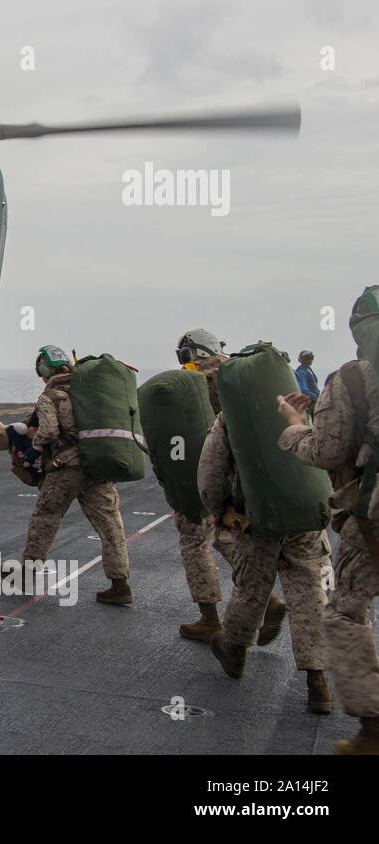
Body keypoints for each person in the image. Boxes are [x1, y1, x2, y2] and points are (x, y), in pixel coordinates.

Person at [278, 286, 379, 749]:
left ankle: (372, 730)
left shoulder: (353, 377)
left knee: (343, 614)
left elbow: (327, 450)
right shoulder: (318, 374)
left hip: (372, 521)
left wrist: (294, 427)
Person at [200, 406, 333, 714]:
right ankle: (318, 683)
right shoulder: (300, 405)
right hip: (306, 515)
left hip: (257, 519)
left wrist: (218, 509)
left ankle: (235, 651)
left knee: (251, 588)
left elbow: (211, 471)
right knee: (312, 591)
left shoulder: (230, 415)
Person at [169, 329, 284, 643]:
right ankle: (266, 601)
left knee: (194, 536)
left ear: (198, 352)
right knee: (225, 535)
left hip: (215, 468)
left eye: (185, 354)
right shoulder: (239, 372)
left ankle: (210, 618)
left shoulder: (204, 380)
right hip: (247, 475)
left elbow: (194, 427)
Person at [12, 345, 133, 603]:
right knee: (110, 524)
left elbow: (49, 432)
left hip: (66, 468)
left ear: (44, 370)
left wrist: (33, 452)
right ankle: (120, 583)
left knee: (45, 517)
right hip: (97, 465)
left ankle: (27, 577)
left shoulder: (51, 397)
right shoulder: (88, 391)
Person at [296, 351, 320, 416]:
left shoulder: (308, 369)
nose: (310, 360)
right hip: (311, 401)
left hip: (315, 400)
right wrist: (315, 397)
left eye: (311, 358)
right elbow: (303, 389)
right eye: (307, 358)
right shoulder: (302, 371)